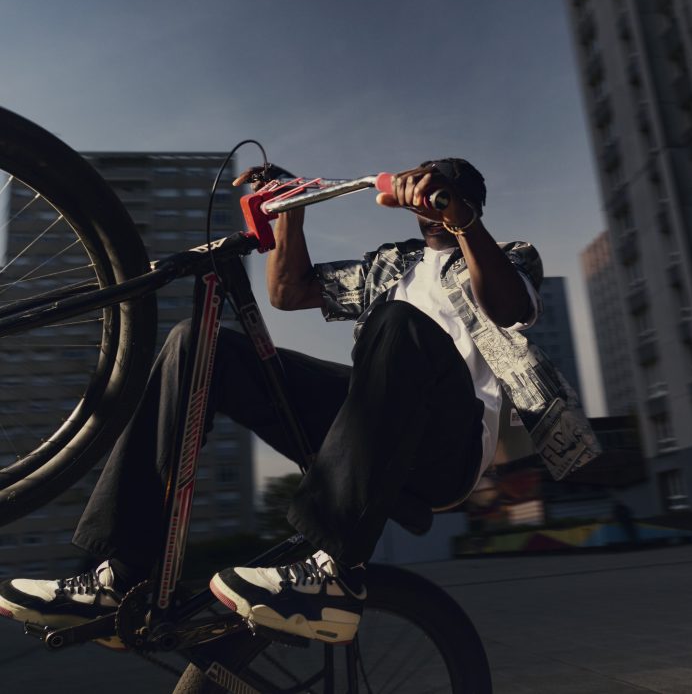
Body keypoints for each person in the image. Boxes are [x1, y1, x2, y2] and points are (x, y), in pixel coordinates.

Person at [0, 158, 599, 646]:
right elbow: (290, 291)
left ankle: (333, 574)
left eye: (439, 182)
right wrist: (289, 208)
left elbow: (509, 307)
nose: (423, 187)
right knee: (199, 344)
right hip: (369, 428)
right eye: (421, 177)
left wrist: (462, 220)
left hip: (447, 448)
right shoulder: (391, 264)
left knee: (400, 324)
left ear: (467, 199)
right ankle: (121, 577)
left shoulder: (507, 253)